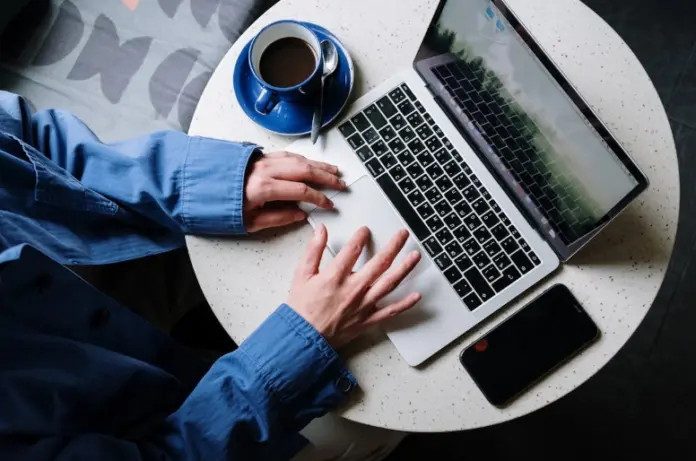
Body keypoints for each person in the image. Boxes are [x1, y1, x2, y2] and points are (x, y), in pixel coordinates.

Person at [0, 91, 421, 460]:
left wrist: (216, 184)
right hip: (146, 429)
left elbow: (32, 143)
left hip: (92, 264)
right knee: (379, 418)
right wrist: (302, 344)